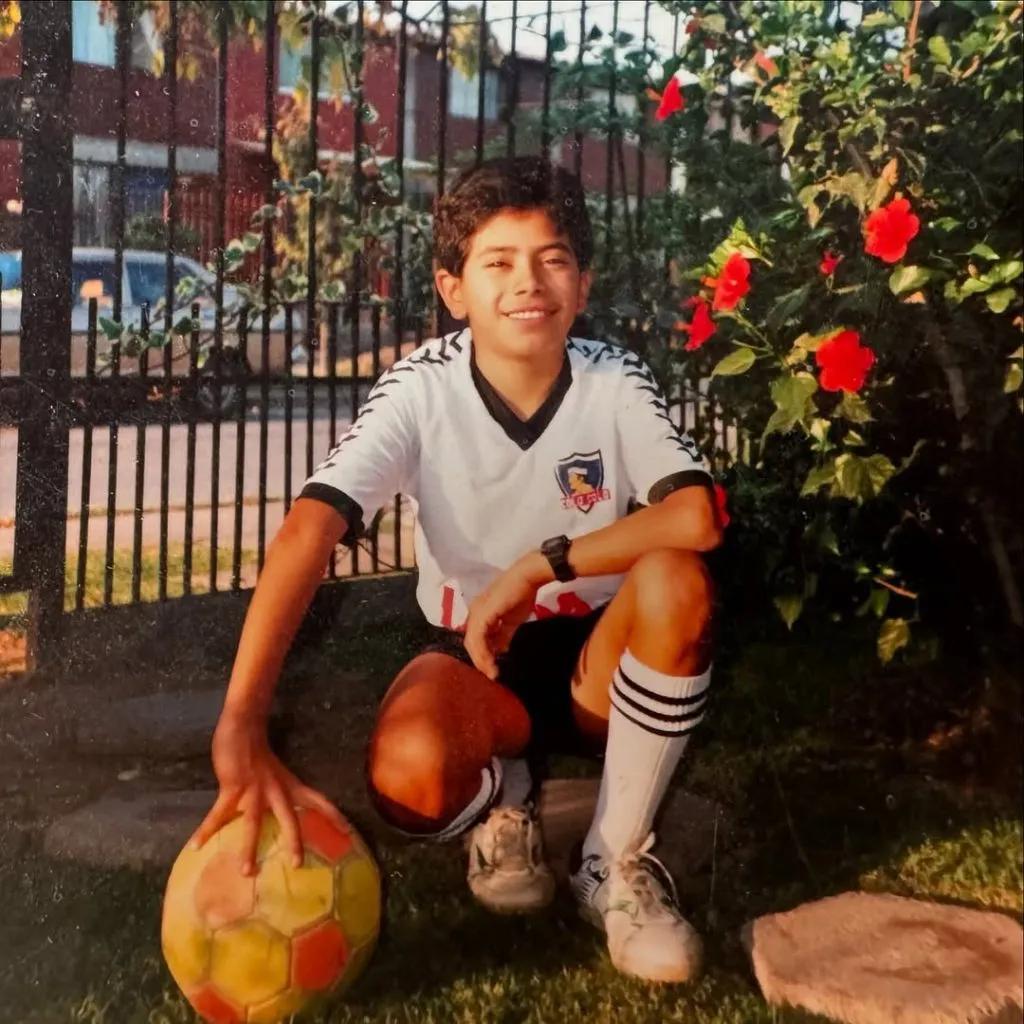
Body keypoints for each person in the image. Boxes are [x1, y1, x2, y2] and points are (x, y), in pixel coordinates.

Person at [191, 155, 724, 985]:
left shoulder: (613, 379)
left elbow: (697, 516)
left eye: (551, 259)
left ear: (582, 284)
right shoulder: (417, 390)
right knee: (407, 775)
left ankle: (612, 864)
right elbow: (308, 530)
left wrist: (537, 568)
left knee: (677, 579)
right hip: (478, 660)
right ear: (454, 290)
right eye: (498, 262)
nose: (528, 283)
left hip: (600, 666)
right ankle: (502, 800)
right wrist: (240, 722)